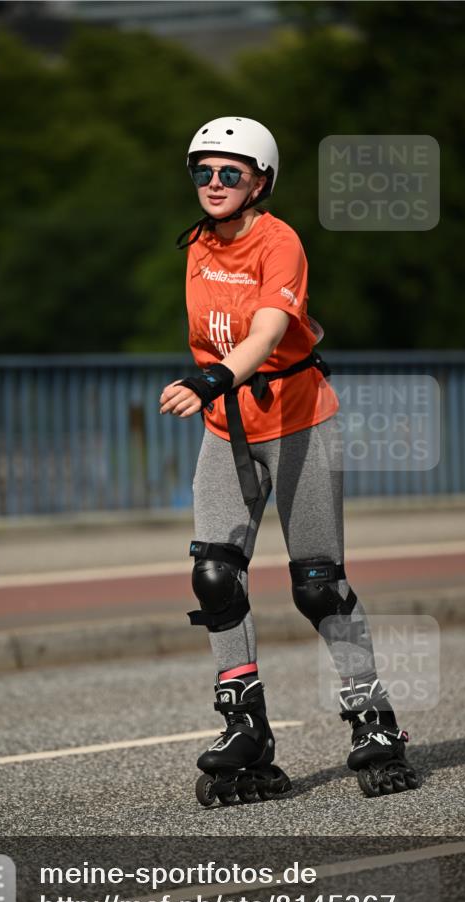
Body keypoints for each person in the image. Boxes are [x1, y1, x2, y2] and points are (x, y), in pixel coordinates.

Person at [160, 117, 418, 805]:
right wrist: (217, 390)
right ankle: (244, 726)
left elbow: (270, 329)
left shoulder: (281, 243)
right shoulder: (195, 245)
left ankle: (374, 721)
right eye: (202, 172)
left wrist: (217, 376)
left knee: (316, 584)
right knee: (215, 573)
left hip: (299, 422)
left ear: (260, 182)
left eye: (229, 173)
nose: (213, 185)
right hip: (228, 429)